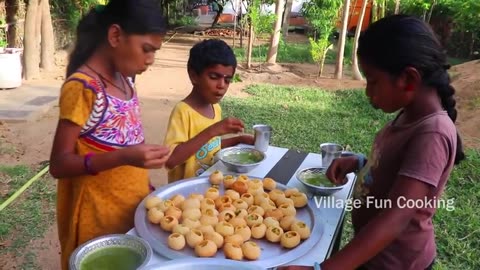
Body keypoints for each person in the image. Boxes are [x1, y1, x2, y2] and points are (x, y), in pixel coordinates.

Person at [279, 15, 465, 270]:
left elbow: (396, 217)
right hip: (373, 255)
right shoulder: (409, 113)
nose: (367, 92)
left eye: (373, 81)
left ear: (409, 79)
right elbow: (392, 167)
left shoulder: (432, 133)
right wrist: (359, 162)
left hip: (397, 263)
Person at [48, 0, 170, 269]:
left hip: (132, 210)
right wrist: (124, 156)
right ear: (115, 36)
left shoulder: (126, 82)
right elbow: (59, 164)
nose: (150, 60)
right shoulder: (83, 87)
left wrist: (145, 183)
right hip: (99, 219)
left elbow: (128, 141)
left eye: (155, 52)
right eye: (146, 49)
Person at [164, 39, 254, 182]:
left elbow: (209, 148)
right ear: (194, 76)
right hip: (184, 195)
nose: (221, 85)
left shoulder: (215, 108)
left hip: (208, 189)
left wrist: (238, 140)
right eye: (214, 77)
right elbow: (171, 160)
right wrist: (213, 130)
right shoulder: (183, 112)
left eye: (227, 80)